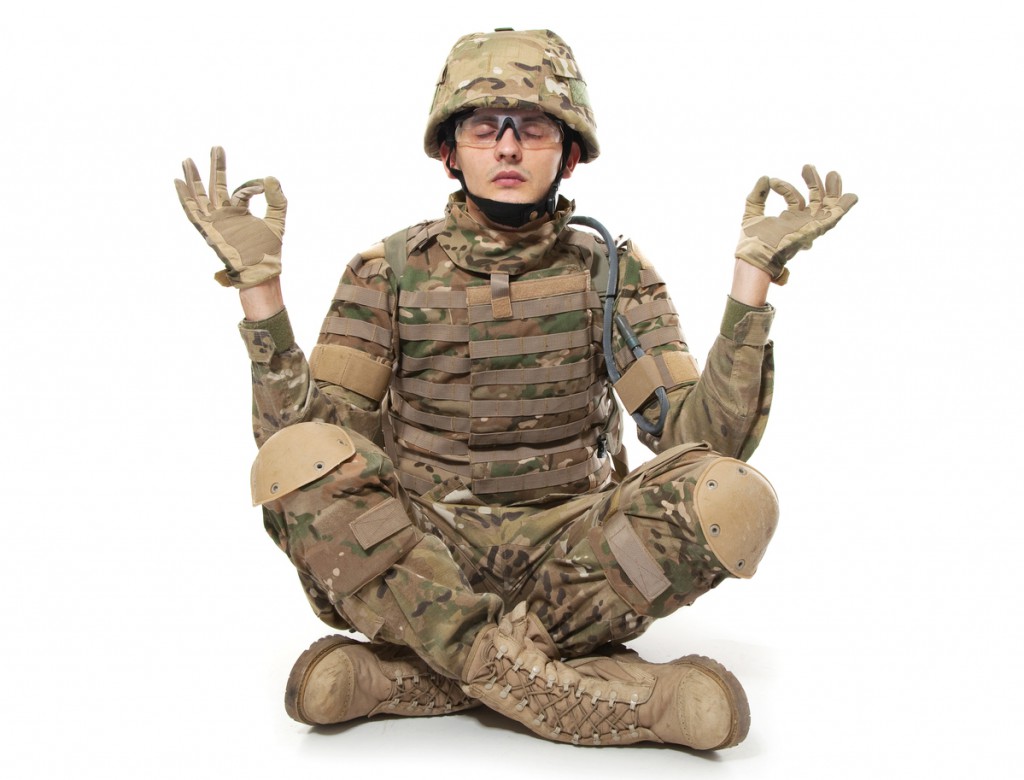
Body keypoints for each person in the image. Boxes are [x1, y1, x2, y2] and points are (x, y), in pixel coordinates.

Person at [175, 28, 856, 750]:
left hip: (578, 567)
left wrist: (752, 284)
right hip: (421, 558)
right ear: (449, 151)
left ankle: (427, 675)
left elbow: (702, 444)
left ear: (569, 153)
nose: (506, 148)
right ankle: (551, 683)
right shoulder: (387, 272)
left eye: (532, 128)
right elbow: (313, 445)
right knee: (293, 465)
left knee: (736, 498)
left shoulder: (611, 273)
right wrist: (261, 295)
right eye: (483, 127)